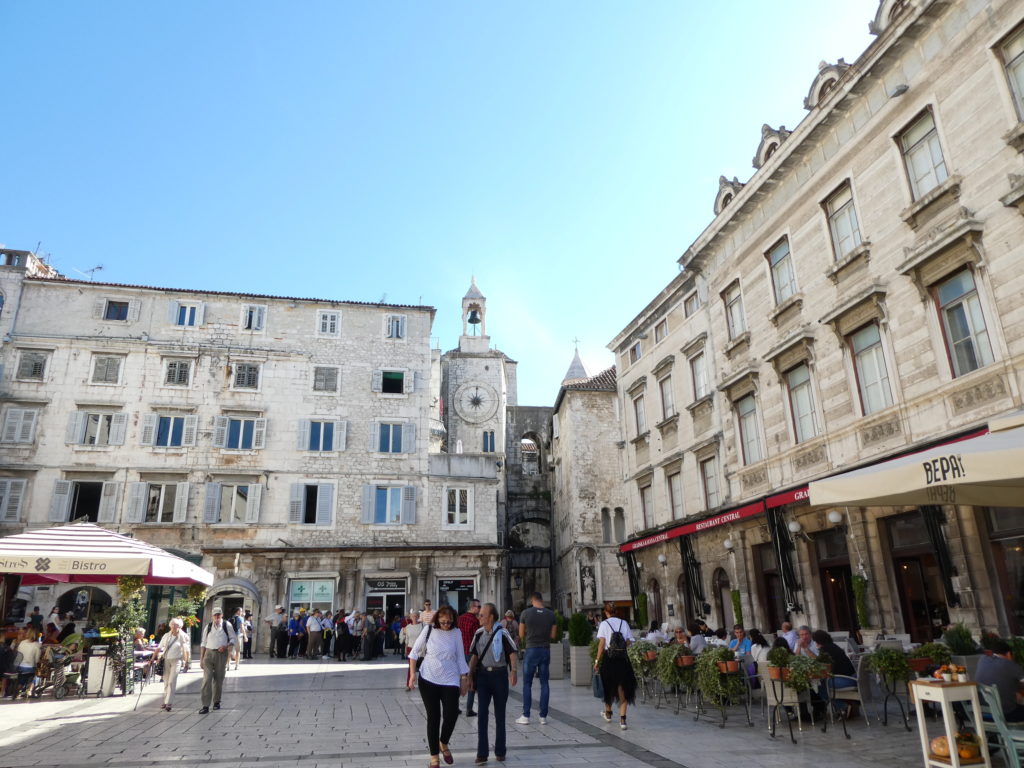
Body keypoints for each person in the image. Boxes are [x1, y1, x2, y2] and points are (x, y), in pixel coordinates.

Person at [407, 605, 470, 768]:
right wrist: (412, 674)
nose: (446, 625)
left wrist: (464, 679)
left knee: (452, 714)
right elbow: (414, 653)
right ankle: (434, 756)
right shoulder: (428, 630)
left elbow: (460, 657)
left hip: (450, 679)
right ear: (437, 620)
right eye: (443, 622)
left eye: (449, 622)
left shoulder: (456, 633)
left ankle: (444, 742)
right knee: (433, 717)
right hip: (428, 678)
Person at [469, 602, 518, 765]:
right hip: (483, 676)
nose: (479, 617)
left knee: (500, 715)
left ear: (491, 617)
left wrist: (514, 671)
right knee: (482, 714)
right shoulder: (478, 634)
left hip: (499, 676)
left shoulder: (502, 633)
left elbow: (512, 652)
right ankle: (482, 753)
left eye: (482, 615)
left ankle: (500, 750)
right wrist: (469, 676)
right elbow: (474, 656)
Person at [593, 601, 636, 730]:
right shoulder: (624, 623)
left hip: (609, 659)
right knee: (623, 688)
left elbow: (601, 644)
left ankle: (609, 713)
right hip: (622, 659)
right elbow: (629, 641)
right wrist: (620, 646)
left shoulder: (604, 624)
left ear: (606, 612)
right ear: (616, 611)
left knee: (608, 686)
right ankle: (623, 720)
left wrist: (597, 661)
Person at [516, 591, 558, 725]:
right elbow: (553, 635)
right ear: (542, 600)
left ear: (532, 600)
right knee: (544, 683)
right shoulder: (551, 614)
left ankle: (526, 715)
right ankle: (543, 716)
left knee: (527, 684)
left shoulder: (526, 613)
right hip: (545, 650)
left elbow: (521, 634)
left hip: (531, 649)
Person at [198, 606, 236, 714]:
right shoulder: (208, 626)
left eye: (218, 615)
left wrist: (226, 645)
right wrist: (201, 659)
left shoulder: (226, 625)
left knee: (218, 679)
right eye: (215, 615)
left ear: (222, 615)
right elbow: (203, 643)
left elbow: (233, 639)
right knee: (207, 679)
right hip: (209, 653)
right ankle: (205, 705)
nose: (217, 617)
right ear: (212, 616)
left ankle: (216, 701)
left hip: (221, 654)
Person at [976, 638, 1024, 722]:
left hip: (983, 714)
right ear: (1009, 654)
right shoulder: (1009, 664)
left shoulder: (982, 660)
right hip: (1005, 715)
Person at [155, 617, 190, 712]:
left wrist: (186, 662)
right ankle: (165, 701)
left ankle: (169, 703)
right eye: (173, 625)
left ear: (180, 626)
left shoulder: (183, 636)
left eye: (177, 625)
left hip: (177, 660)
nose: (174, 626)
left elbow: (186, 650)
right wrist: (152, 658)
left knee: (172, 681)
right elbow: (159, 647)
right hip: (166, 660)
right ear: (170, 625)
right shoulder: (166, 635)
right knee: (166, 681)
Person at [458, 599, 482, 716]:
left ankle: (455, 707)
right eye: (479, 607)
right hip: (471, 654)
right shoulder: (475, 621)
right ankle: (469, 709)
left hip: (460, 653)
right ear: (473, 607)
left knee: (459, 680)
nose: (480, 609)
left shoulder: (460, 619)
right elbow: (477, 639)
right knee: (471, 680)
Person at [11, 628, 40, 699]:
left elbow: (18, 653)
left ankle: (17, 691)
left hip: (19, 666)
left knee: (22, 680)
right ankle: (29, 690)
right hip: (30, 667)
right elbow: (36, 660)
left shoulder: (22, 642)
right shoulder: (37, 645)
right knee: (35, 676)